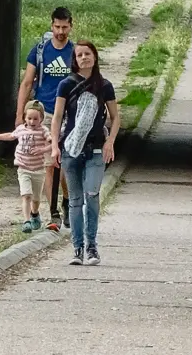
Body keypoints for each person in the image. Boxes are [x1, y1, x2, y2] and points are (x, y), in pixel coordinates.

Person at [50, 41, 120, 266]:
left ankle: (92, 246)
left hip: (96, 149)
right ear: (74, 60)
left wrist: (110, 141)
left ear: (95, 57)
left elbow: (115, 116)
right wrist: (54, 145)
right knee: (75, 199)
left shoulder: (105, 86)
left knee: (92, 196)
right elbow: (58, 116)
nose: (84, 58)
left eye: (87, 54)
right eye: (79, 55)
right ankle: (77, 248)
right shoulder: (65, 85)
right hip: (71, 149)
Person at [17, 7, 74, 231]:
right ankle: (54, 211)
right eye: (57, 27)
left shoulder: (76, 52)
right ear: (51, 26)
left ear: (71, 26)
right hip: (46, 114)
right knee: (50, 164)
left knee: (66, 164)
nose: (60, 31)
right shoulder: (39, 52)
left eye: (64, 27)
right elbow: (27, 83)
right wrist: (19, 115)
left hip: (70, 114)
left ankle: (67, 200)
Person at [0, 101, 53, 233]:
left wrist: (43, 149)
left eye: (36, 119)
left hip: (38, 169)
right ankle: (26, 221)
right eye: (29, 118)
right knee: (26, 195)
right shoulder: (21, 129)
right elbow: (10, 136)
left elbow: (52, 143)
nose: (32, 121)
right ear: (25, 118)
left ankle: (35, 213)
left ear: (42, 119)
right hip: (24, 168)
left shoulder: (44, 131)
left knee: (36, 198)